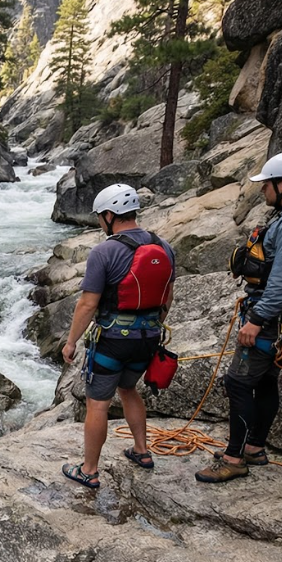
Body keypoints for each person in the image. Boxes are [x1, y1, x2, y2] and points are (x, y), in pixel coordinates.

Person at [198, 150, 282, 483]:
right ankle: (254, 448)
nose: (263, 191)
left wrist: (257, 319)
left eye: (268, 184)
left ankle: (234, 458)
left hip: (274, 317)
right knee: (263, 380)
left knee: (239, 382)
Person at [61, 184, 176, 490]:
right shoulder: (164, 247)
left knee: (97, 404)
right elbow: (167, 297)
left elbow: (88, 303)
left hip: (113, 339)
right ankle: (141, 451)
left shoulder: (104, 251)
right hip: (149, 337)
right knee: (128, 388)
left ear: (110, 215)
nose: (100, 222)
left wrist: (71, 341)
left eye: (101, 217)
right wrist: (152, 327)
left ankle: (89, 470)